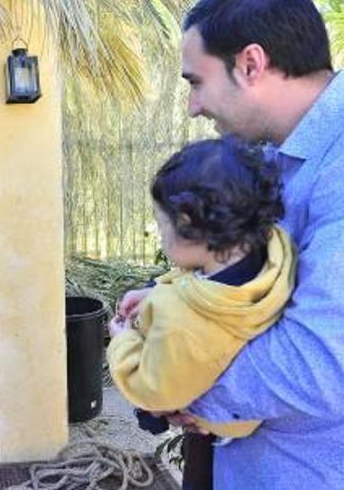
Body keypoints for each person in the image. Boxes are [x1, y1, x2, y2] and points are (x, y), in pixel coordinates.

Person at [118, 0, 344, 487]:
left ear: (251, 63)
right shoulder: (279, 154)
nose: (192, 107)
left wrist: (172, 383)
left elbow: (320, 368)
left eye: (196, 82)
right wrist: (170, 303)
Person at [106, 138, 295, 490]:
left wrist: (124, 341)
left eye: (162, 226)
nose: (161, 236)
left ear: (189, 223)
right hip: (246, 416)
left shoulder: (181, 321)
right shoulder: (273, 259)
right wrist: (155, 292)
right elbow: (205, 282)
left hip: (207, 412)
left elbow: (153, 390)